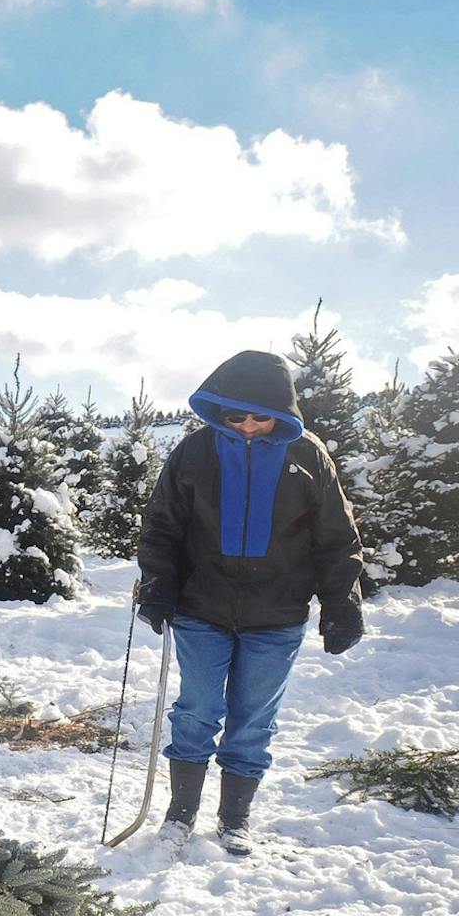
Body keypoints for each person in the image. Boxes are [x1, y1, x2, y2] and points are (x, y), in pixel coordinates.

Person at [136, 349, 364, 855]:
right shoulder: (196, 452)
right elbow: (163, 525)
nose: (247, 426)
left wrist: (341, 603)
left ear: (282, 413)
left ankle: (234, 818)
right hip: (201, 607)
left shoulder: (308, 456)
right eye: (236, 415)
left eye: (261, 416)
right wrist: (157, 583)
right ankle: (180, 814)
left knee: (254, 717)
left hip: (276, 615)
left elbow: (337, 537)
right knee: (197, 709)